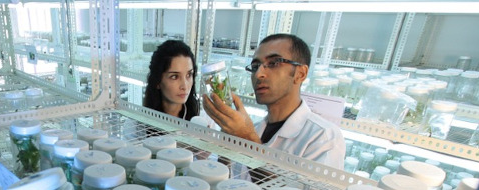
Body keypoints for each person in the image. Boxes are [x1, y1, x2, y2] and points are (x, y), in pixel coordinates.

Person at [203, 33, 345, 170]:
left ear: (300, 73)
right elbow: (234, 185)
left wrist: (247, 140)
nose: (259, 74)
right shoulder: (257, 129)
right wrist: (226, 145)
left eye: (273, 63)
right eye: (255, 66)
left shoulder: (324, 138)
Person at [143, 40, 200, 121]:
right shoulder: (136, 124)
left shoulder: (202, 122)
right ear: (158, 81)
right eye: (174, 77)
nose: (184, 86)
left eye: (189, 75)